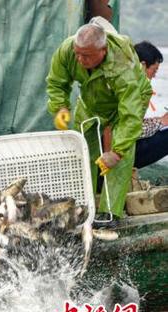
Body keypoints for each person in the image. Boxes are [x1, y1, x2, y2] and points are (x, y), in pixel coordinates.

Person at [46, 23, 152, 221]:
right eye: (77, 53)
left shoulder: (122, 64)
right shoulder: (68, 50)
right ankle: (81, 206)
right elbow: (56, 82)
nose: (80, 59)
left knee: (119, 156)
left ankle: (110, 213)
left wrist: (117, 151)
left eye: (86, 55)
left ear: (103, 51)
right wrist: (60, 107)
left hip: (128, 102)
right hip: (91, 101)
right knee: (82, 149)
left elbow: (130, 113)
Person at [133, 41, 168, 169]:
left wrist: (160, 121)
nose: (155, 75)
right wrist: (161, 122)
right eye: (154, 70)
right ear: (142, 65)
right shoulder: (131, 88)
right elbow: (131, 130)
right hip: (123, 152)